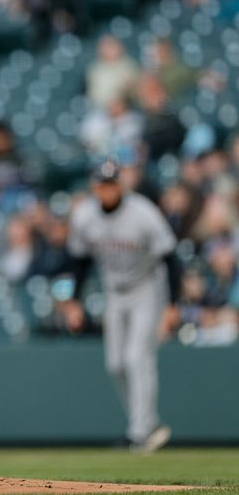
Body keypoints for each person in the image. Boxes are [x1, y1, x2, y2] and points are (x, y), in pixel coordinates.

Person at [62, 159, 177, 452]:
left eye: (111, 183)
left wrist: (172, 305)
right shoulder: (85, 215)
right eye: (102, 184)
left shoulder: (143, 213)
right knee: (115, 364)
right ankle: (146, 425)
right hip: (114, 291)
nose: (107, 190)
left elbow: (170, 258)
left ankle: (140, 432)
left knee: (137, 358)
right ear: (94, 186)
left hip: (147, 289)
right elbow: (79, 261)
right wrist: (73, 300)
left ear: (121, 184)